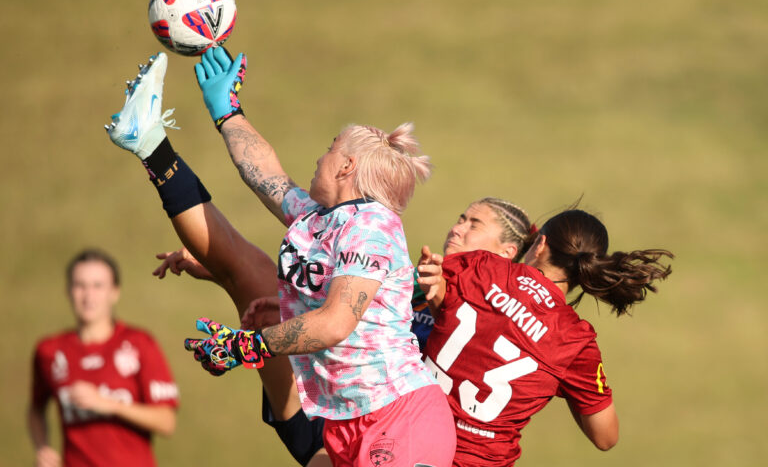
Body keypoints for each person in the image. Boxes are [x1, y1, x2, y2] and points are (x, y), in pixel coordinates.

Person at [104, 48, 456, 466]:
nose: (319, 156)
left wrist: (244, 347)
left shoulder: (372, 227)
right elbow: (265, 174)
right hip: (347, 422)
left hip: (400, 416)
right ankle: (148, 141)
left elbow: (335, 323)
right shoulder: (320, 218)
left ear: (347, 166)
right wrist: (228, 112)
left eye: (330, 149)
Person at [154, 195, 536, 464]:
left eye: (474, 224)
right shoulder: (412, 279)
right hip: (335, 420)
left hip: (394, 440)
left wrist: (440, 297)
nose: (457, 228)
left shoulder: (497, 321)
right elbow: (330, 300)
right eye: (460, 218)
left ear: (506, 252)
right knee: (253, 287)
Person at [417, 208, 674, 466]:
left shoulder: (482, 266)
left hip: (409, 441)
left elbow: (438, 304)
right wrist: (565, 380)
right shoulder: (574, 342)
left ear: (540, 244)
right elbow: (605, 437)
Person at [28, 249, 179, 467]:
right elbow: (35, 409)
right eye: (80, 285)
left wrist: (109, 404)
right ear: (69, 290)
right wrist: (42, 448)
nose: (89, 296)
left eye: (98, 286)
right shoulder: (49, 351)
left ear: (114, 292)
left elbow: (167, 422)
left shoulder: (139, 344)